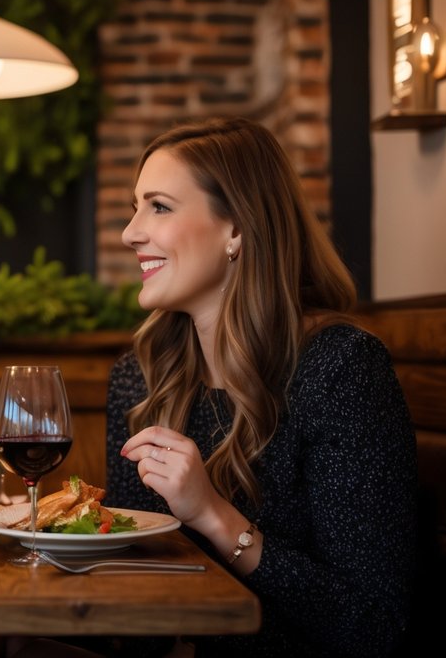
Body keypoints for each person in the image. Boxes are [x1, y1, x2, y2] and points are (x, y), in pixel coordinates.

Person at [102, 117, 416, 657]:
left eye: (158, 206)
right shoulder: (142, 375)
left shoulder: (340, 370)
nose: (131, 232)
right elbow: (134, 592)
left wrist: (211, 513)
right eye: (136, 207)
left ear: (237, 229)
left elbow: (374, 626)